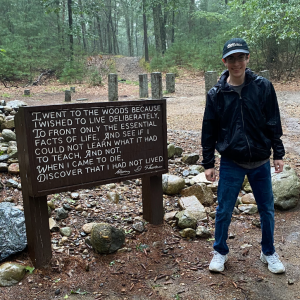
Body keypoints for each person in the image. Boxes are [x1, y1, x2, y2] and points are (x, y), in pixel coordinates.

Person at [201, 38, 285, 274]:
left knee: (267, 209)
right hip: (231, 162)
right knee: (224, 209)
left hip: (260, 160)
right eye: (231, 58)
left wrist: (278, 153)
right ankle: (220, 251)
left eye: (241, 57)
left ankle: (268, 251)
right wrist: (208, 163)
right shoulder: (216, 94)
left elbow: (273, 121)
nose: (236, 63)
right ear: (224, 61)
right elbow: (209, 130)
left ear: (248, 58)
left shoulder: (263, 87)